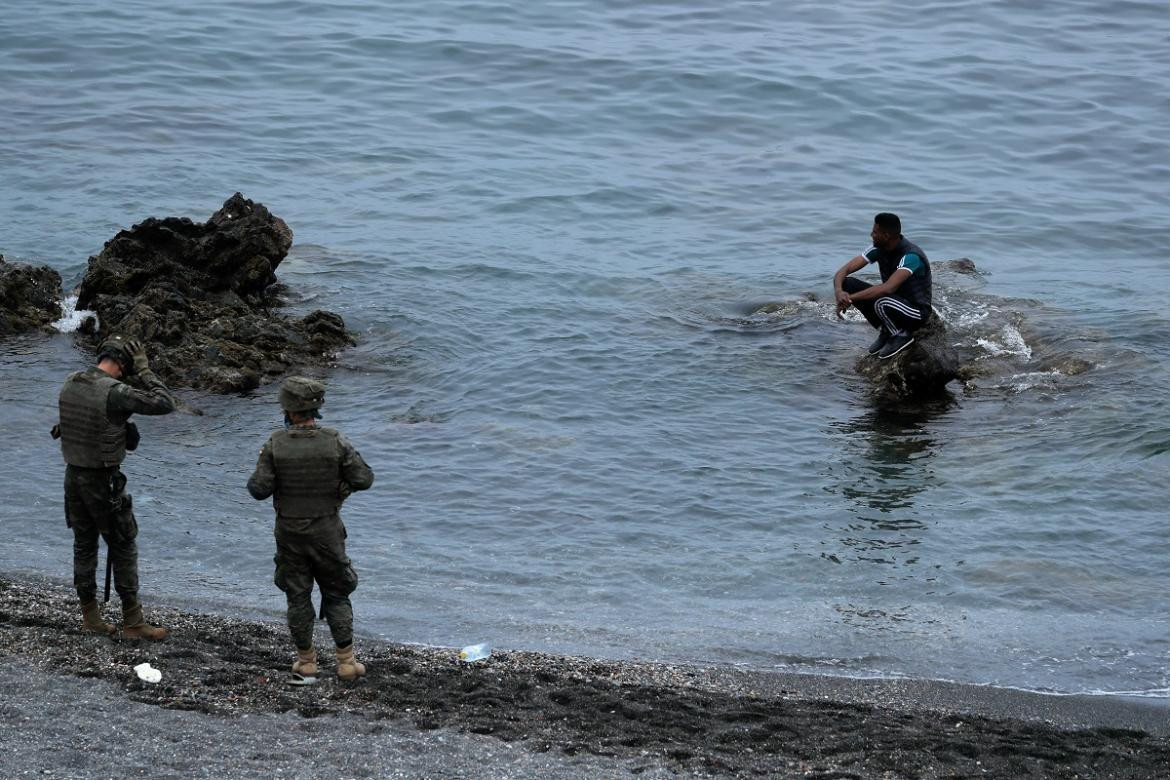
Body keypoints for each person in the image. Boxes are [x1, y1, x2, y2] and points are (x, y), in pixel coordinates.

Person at [247, 377, 374, 681]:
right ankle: (346, 662)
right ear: (315, 409)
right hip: (328, 531)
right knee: (337, 592)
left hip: (289, 533)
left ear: (289, 410)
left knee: (297, 594)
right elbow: (364, 479)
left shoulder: (275, 443)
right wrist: (340, 486)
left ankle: (306, 662)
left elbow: (258, 489)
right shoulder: (335, 441)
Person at [56, 334, 175, 639]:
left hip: (73, 476)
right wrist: (146, 370)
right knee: (123, 545)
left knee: (84, 545)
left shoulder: (71, 381)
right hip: (103, 481)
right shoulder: (116, 391)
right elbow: (165, 403)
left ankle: (91, 616)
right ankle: (133, 621)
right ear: (123, 365)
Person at [833, 213, 932, 359]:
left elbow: (888, 288)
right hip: (894, 303)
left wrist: (850, 299)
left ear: (886, 236)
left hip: (916, 311)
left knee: (882, 301)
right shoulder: (878, 249)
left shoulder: (911, 256)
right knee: (848, 283)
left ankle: (901, 335)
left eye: (875, 232)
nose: (871, 234)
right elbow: (844, 271)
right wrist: (840, 292)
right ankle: (886, 331)